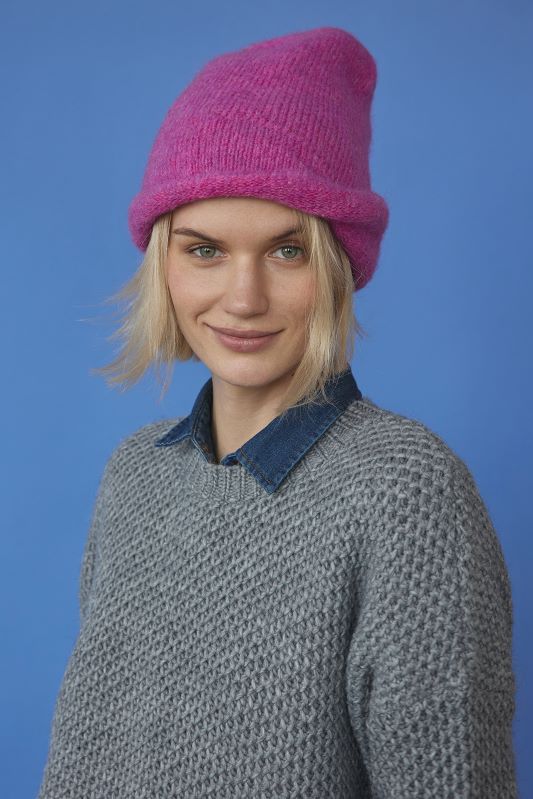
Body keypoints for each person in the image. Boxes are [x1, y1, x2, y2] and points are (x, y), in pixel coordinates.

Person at [37, 26, 517, 798]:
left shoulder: (407, 492)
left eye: (286, 251)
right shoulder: (134, 475)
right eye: (204, 249)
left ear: (338, 266)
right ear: (163, 263)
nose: (243, 297)